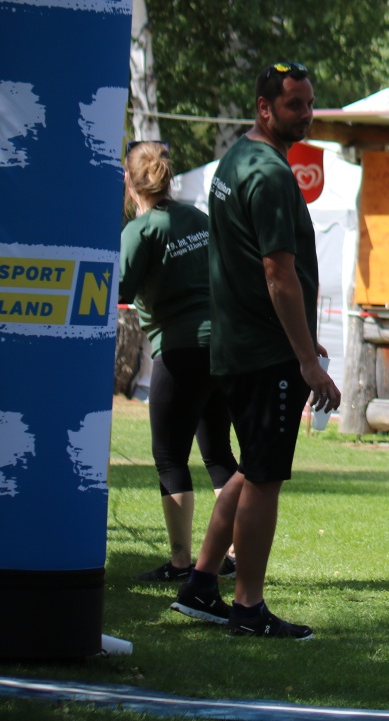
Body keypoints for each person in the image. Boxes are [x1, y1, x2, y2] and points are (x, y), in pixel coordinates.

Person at [169, 61, 340, 640]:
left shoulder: (235, 159)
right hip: (264, 354)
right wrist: (307, 360)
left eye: (310, 103)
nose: (306, 114)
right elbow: (277, 273)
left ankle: (200, 584)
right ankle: (248, 608)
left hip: (245, 342)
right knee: (265, 478)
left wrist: (301, 336)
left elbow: (253, 269)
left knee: (249, 468)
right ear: (264, 108)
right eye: (295, 105)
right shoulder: (268, 173)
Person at [119, 142, 238, 582]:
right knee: (219, 454)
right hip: (222, 347)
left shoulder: (140, 231)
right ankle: (234, 556)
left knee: (169, 457)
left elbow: (118, 290)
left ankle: (181, 563)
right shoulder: (199, 219)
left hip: (180, 349)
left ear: (129, 180)